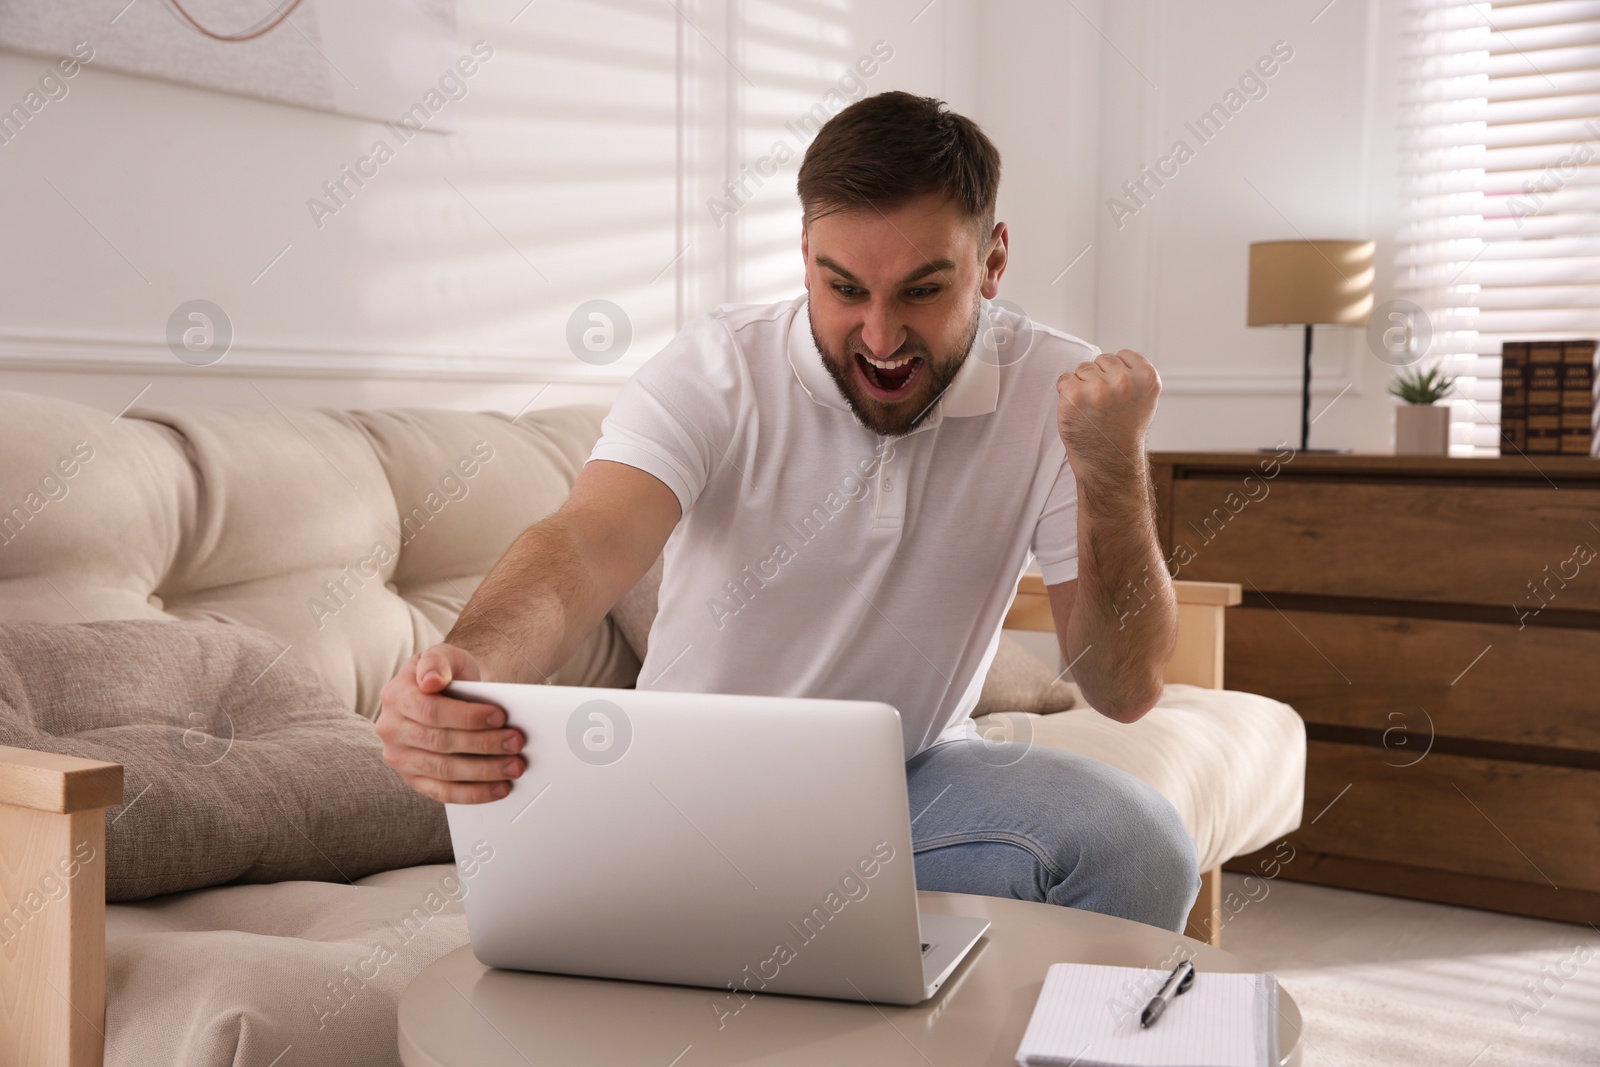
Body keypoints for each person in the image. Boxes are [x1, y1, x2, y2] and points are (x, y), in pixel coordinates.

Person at [377, 91, 1199, 932]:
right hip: (689, 791)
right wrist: (474, 662)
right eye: (844, 287)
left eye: (922, 290)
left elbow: (1125, 688)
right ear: (805, 253)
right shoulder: (716, 368)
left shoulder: (1057, 393)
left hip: (911, 786)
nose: (880, 338)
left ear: (992, 262)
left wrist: (1109, 465)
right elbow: (587, 542)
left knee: (1138, 848)